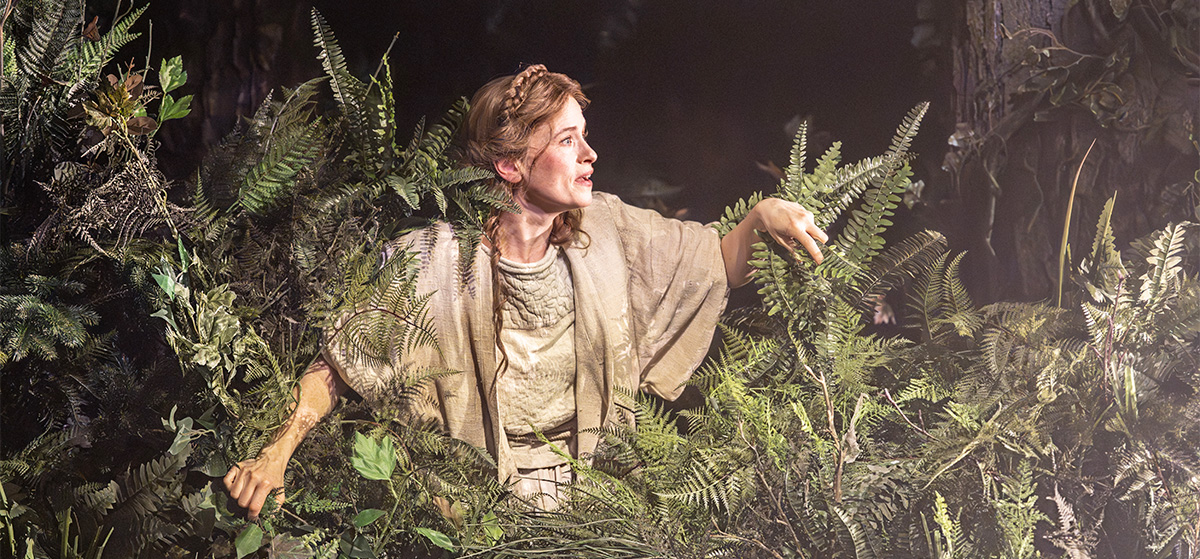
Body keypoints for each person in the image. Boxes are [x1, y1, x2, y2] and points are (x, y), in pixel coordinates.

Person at [223, 65, 827, 517]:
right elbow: (337, 364)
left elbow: (712, 266)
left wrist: (763, 216)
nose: (590, 155)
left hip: (597, 502)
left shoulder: (609, 233)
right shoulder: (431, 263)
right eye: (567, 141)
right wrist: (277, 451)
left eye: (584, 136)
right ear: (511, 164)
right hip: (469, 510)